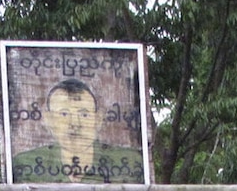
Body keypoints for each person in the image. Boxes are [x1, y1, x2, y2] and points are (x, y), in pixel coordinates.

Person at [12, 78, 144, 184]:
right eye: (64, 114)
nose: (75, 124)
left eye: (84, 114)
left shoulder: (130, 162)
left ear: (98, 119)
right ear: (48, 119)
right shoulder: (26, 164)